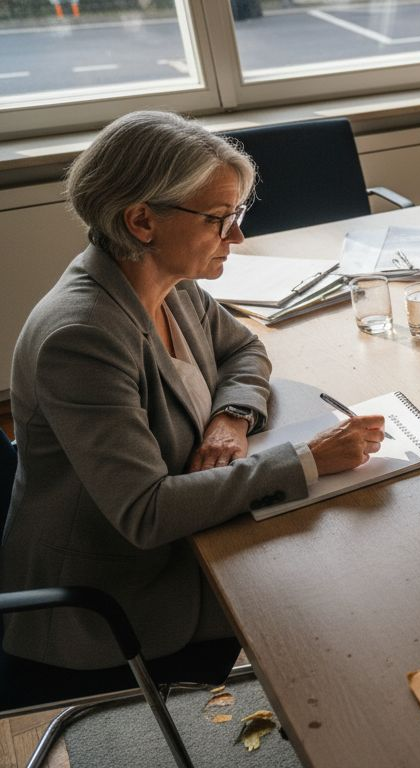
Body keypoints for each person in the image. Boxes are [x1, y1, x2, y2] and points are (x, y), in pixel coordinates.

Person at [1, 111, 385, 676]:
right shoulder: (81, 337)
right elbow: (147, 512)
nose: (237, 236)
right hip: (117, 595)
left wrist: (231, 416)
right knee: (344, 598)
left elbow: (245, 351)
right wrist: (307, 459)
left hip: (186, 536)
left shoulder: (167, 283)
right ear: (141, 222)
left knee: (348, 559)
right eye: (218, 218)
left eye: (237, 214)